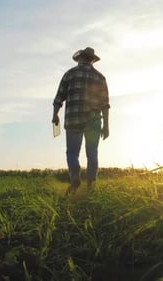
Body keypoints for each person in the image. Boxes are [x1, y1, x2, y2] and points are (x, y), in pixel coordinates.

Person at [52, 47, 110, 195]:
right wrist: (107, 126)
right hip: (93, 120)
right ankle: (91, 185)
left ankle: (75, 178)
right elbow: (105, 104)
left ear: (80, 58)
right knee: (92, 153)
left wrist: (55, 115)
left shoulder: (69, 74)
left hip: (73, 119)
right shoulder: (99, 77)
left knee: (72, 153)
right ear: (92, 60)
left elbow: (59, 98)